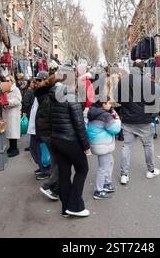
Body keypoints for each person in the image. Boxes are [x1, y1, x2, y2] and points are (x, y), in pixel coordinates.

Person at [50, 79, 91, 218]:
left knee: (64, 174)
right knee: (82, 169)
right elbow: (79, 125)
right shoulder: (72, 98)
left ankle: (65, 208)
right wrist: (86, 146)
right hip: (70, 140)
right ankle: (75, 206)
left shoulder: (54, 97)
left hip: (56, 140)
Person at [117, 59, 160, 185]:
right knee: (148, 145)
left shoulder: (123, 81)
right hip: (143, 119)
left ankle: (124, 174)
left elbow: (118, 99)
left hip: (128, 119)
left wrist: (127, 106)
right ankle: (150, 170)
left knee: (127, 146)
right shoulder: (148, 82)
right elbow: (153, 101)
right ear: (143, 68)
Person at [87, 101, 121, 200]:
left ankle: (107, 183)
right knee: (103, 167)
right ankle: (98, 190)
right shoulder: (105, 115)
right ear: (103, 104)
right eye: (109, 103)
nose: (111, 105)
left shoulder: (93, 112)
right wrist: (118, 120)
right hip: (103, 144)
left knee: (110, 162)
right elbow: (115, 129)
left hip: (98, 142)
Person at [38, 72, 64, 201]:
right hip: (50, 133)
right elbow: (53, 118)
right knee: (59, 161)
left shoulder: (46, 95)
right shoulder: (52, 97)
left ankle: (55, 188)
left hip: (46, 132)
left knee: (56, 161)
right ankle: (49, 185)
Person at [27, 71, 51, 180]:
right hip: (34, 126)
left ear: (46, 80)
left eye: (39, 80)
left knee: (40, 150)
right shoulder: (37, 92)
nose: (37, 82)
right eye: (36, 80)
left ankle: (46, 170)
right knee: (34, 149)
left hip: (40, 128)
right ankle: (42, 167)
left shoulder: (47, 94)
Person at [2, 75, 22, 158]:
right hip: (8, 113)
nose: (6, 82)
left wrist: (8, 102)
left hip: (13, 114)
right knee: (10, 132)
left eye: (8, 80)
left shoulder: (15, 89)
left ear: (12, 81)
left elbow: (18, 100)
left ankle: (15, 149)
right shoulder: (6, 90)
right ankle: (11, 148)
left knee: (13, 132)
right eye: (5, 81)